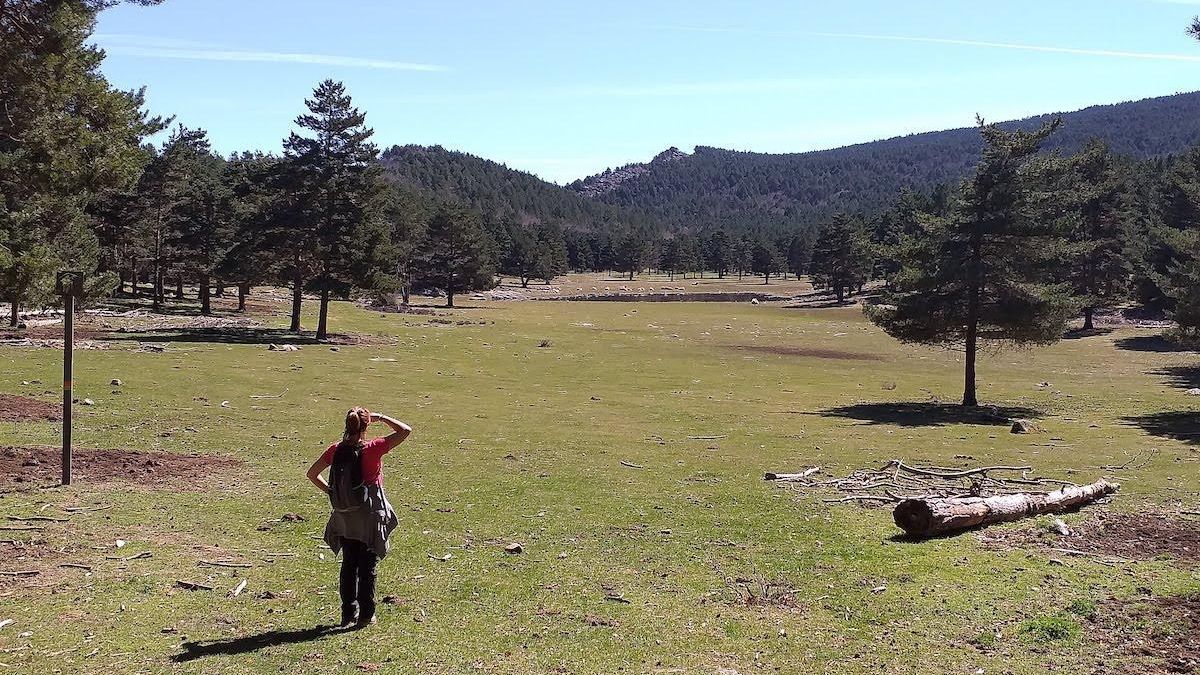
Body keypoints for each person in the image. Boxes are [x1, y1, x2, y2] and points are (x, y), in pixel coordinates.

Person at [307, 408, 411, 628]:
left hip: (345, 517)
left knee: (349, 564)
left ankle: (348, 615)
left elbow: (312, 474)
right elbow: (405, 431)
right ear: (366, 425)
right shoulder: (372, 448)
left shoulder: (335, 450)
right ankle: (366, 615)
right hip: (369, 516)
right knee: (367, 566)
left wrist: (332, 492)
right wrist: (381, 417)